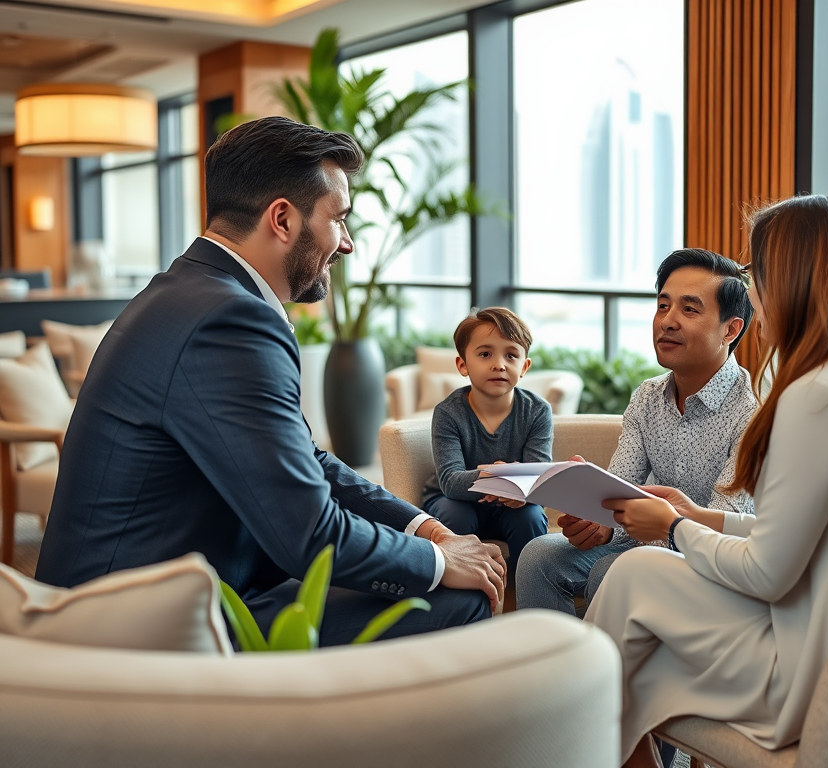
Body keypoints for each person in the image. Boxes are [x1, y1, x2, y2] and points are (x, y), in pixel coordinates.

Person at [35, 116, 507, 645]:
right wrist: (437, 561)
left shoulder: (190, 292)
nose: (347, 244)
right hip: (138, 631)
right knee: (453, 595)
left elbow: (309, 460)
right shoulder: (230, 321)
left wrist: (425, 528)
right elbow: (306, 534)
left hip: (132, 597)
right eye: (339, 219)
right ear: (282, 219)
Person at [589, 195, 828, 767]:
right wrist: (699, 516)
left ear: (796, 280)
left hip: (825, 670)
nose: (753, 292)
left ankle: (571, 731)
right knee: (632, 606)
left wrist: (675, 527)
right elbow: (799, 533)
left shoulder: (817, 395)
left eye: (757, 274)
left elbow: (767, 573)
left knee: (632, 589)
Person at [516, 249, 756, 615]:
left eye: (689, 310)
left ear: (731, 328)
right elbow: (618, 491)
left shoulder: (753, 412)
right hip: (647, 540)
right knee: (538, 557)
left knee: (610, 572)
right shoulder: (647, 396)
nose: (667, 322)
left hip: (712, 557)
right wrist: (600, 523)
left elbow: (716, 531)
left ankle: (604, 672)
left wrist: (636, 528)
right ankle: (550, 669)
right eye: (663, 306)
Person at [421, 307, 551, 572]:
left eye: (511, 355)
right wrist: (503, 478)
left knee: (531, 516)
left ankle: (529, 595)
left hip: (512, 507)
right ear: (462, 364)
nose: (499, 364)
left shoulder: (537, 411)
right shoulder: (448, 412)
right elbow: (450, 482)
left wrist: (516, 488)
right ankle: (461, 602)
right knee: (454, 513)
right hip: (455, 501)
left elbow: (538, 479)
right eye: (485, 354)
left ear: (524, 367)